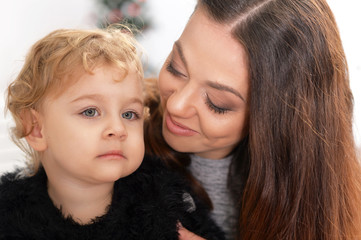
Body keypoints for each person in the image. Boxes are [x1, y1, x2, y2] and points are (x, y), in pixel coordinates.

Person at [144, 0, 361, 239]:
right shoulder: (116, 133)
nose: (176, 105)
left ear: (276, 120)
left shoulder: (331, 197)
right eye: (176, 68)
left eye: (217, 103)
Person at [0, 27, 225, 239]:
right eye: (90, 111)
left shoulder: (170, 207)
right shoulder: (8, 215)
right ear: (36, 129)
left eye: (129, 114)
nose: (118, 130)